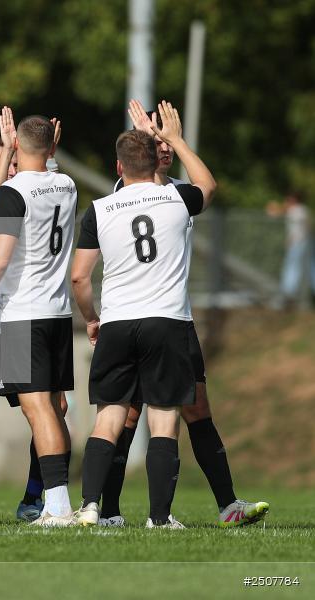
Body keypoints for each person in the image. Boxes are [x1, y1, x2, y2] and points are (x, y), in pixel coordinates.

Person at [97, 100, 270, 528]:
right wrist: (157, 139)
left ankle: (228, 504)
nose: (164, 149)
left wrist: (172, 140)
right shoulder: (128, 196)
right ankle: (110, 511)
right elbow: (199, 184)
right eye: (154, 145)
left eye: (166, 144)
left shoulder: (176, 192)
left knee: (197, 409)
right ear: (143, 155)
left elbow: (202, 183)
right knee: (129, 414)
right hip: (142, 319)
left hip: (175, 318)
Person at [72, 102, 217, 529]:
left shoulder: (99, 208)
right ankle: (158, 517)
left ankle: (92, 508)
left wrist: (92, 318)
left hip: (116, 323)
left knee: (109, 418)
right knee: (164, 419)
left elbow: (80, 277)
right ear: (157, 159)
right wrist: (175, 139)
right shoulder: (176, 197)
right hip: (165, 321)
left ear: (118, 165)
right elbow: (207, 184)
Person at [0, 114, 78, 527]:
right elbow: (43, 168)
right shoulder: (66, 184)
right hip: (59, 312)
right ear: (52, 148)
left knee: (38, 409)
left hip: (24, 314)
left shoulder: (13, 193)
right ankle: (51, 500)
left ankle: (58, 505)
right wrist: (44, 149)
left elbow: (1, 256)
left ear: (16, 147)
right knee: (53, 409)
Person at [269, 193, 314, 306]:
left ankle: (288, 293)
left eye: (287, 200)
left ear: (293, 201)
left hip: (298, 244)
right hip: (304, 244)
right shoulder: (302, 210)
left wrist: (273, 208)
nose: (286, 203)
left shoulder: (297, 211)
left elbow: (275, 213)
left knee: (292, 267)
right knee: (308, 267)